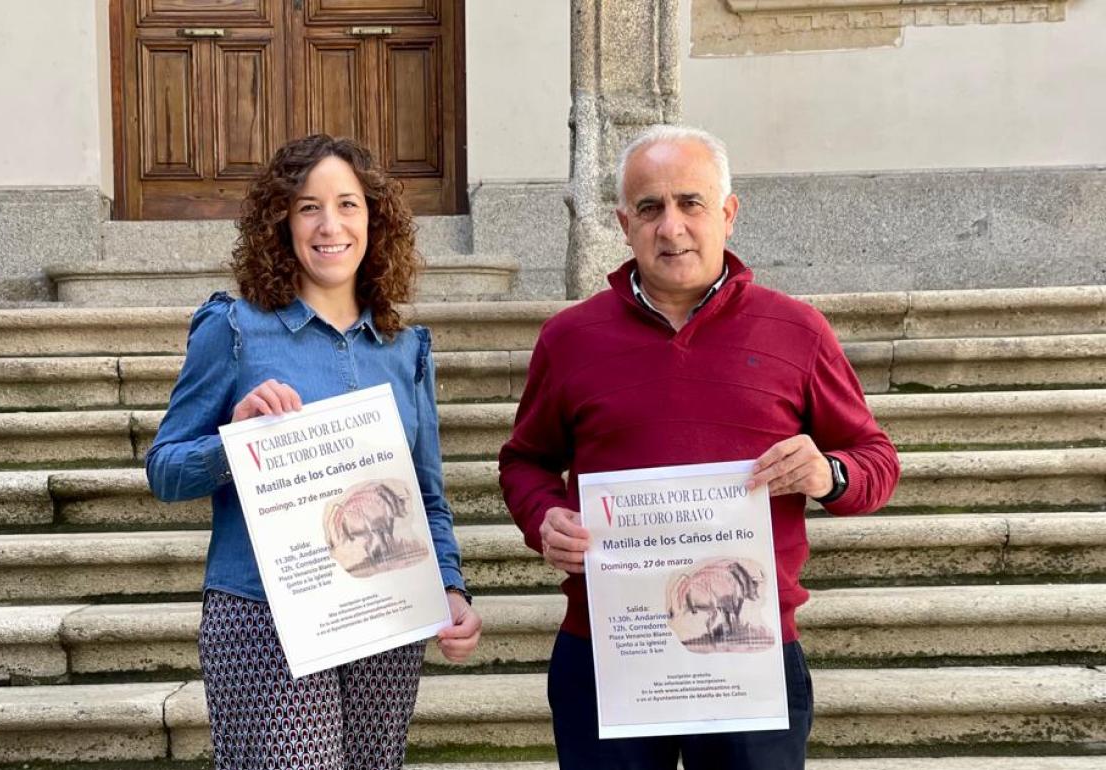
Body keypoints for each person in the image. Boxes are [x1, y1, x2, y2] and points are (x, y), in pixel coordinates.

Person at [497, 125, 901, 770]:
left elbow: (875, 459)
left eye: (691, 203)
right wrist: (543, 517)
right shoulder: (571, 338)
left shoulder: (796, 330)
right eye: (650, 208)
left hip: (751, 654)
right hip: (609, 646)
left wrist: (828, 472)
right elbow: (525, 460)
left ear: (728, 214)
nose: (672, 226)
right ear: (624, 224)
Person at [146, 134, 481, 770]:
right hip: (263, 621)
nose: (331, 226)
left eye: (348, 205)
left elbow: (426, 496)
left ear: (374, 219)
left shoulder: (403, 348)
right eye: (308, 207)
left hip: (384, 614)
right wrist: (235, 442)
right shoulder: (236, 328)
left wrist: (451, 588)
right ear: (282, 222)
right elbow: (165, 471)